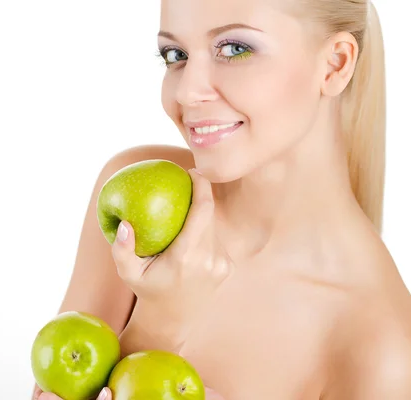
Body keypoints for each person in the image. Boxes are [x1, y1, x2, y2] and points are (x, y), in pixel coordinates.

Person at [33, 0, 411, 398]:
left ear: (335, 64)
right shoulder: (135, 200)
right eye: (175, 55)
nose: (187, 91)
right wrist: (159, 323)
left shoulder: (382, 350)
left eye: (235, 49)